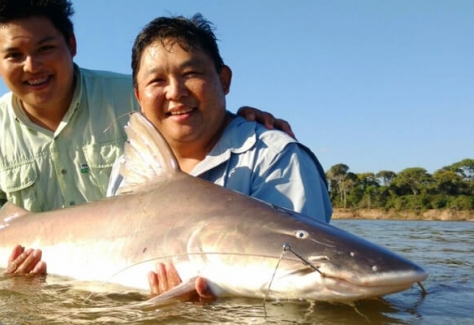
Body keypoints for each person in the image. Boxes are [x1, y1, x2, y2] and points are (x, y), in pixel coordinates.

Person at [0, 0, 294, 269]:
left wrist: (243, 121)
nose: (32, 66)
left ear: (72, 44)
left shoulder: (131, 95)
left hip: (127, 261)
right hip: (37, 265)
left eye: (45, 48)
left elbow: (191, 111)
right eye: (14, 55)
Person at [104, 13, 333, 301]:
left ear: (224, 80)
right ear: (139, 96)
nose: (175, 92)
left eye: (191, 74)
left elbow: (301, 285)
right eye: (157, 81)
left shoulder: (277, 159)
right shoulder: (128, 167)